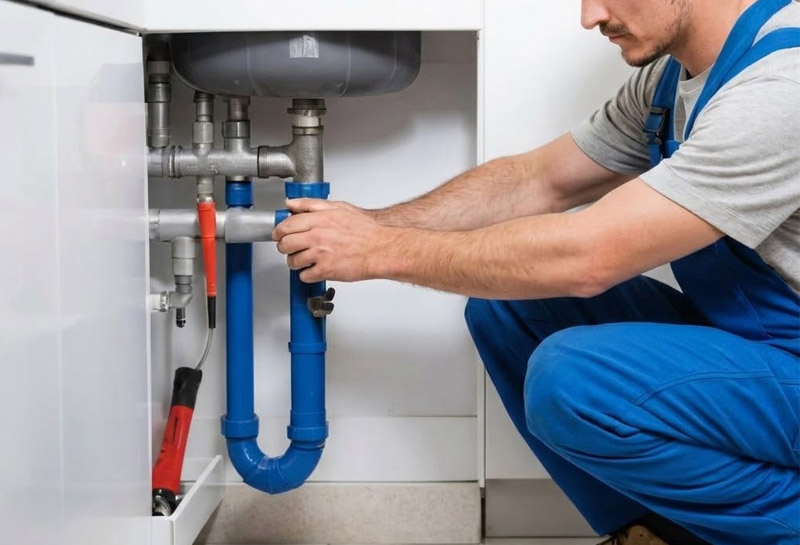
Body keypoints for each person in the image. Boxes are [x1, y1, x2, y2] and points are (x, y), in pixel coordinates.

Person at [272, 0, 800, 543]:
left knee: (575, 378)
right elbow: (539, 180)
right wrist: (367, 225)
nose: (590, 17)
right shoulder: (671, 84)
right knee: (509, 306)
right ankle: (653, 534)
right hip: (764, 349)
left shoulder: (782, 85)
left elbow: (589, 257)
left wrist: (380, 251)